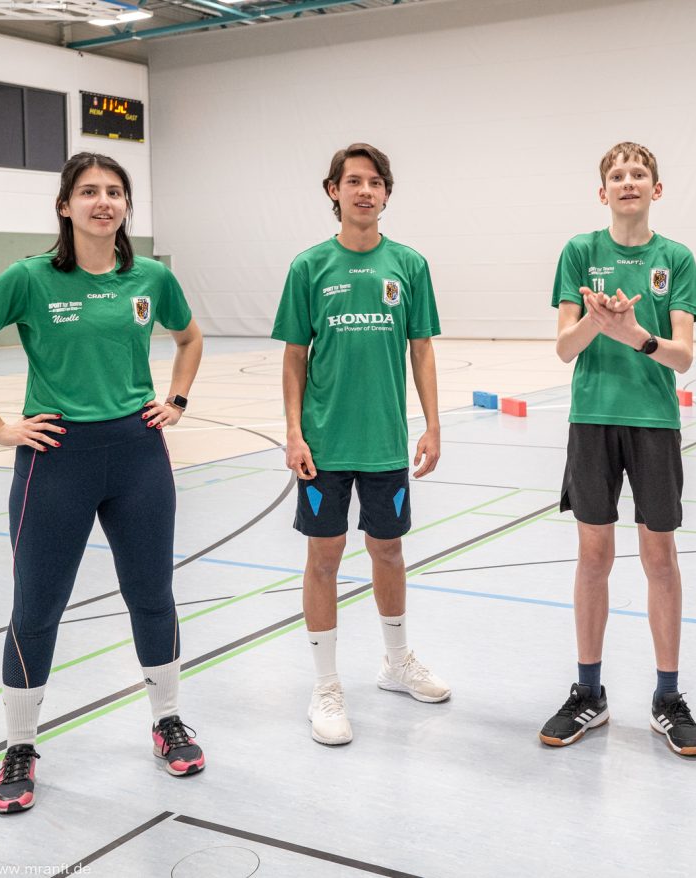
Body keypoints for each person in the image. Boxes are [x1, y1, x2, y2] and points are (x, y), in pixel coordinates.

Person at [0, 153, 206, 813]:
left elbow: (190, 339)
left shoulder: (152, 277)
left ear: (126, 206)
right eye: (88, 192)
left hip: (138, 456)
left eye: (114, 192)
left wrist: (176, 400)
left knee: (152, 595)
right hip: (56, 461)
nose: (103, 202)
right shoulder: (29, 278)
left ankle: (168, 719)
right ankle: (19, 746)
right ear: (65, 205)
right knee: (37, 608)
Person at [273, 143, 447, 746]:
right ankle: (326, 685)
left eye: (375, 182)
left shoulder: (409, 265)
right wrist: (293, 432)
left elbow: (422, 349)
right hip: (323, 445)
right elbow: (294, 357)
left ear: (386, 194)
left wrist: (432, 424)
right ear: (334, 191)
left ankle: (396, 663)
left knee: (389, 551)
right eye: (353, 181)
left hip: (384, 443)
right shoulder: (309, 267)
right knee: (323, 557)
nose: (364, 191)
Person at [539, 142, 696, 757]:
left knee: (660, 558)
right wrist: (597, 321)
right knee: (594, 556)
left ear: (656, 189)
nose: (627, 181)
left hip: (653, 422)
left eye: (638, 174)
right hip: (592, 420)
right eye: (617, 174)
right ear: (602, 191)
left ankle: (668, 697)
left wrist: (635, 334)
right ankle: (589, 692)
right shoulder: (580, 253)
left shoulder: (675, 258)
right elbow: (565, 348)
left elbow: (682, 357)